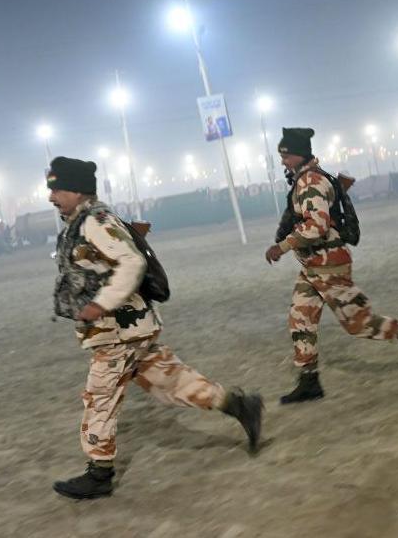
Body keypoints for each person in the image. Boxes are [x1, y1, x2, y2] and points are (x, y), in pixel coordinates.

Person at [48, 156, 262, 500]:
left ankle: (99, 473)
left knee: (100, 397)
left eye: (57, 189)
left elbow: (133, 261)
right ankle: (238, 405)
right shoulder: (82, 221)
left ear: (76, 190)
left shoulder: (96, 221)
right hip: (131, 330)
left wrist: (102, 303)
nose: (51, 197)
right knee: (172, 380)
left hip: (117, 331)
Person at [264, 128, 398, 404]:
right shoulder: (305, 179)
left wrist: (281, 246)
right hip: (312, 266)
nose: (282, 161)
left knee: (359, 324)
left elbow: (317, 226)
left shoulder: (310, 182)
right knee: (301, 320)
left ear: (297, 155)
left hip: (329, 267)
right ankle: (309, 381)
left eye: (285, 156)